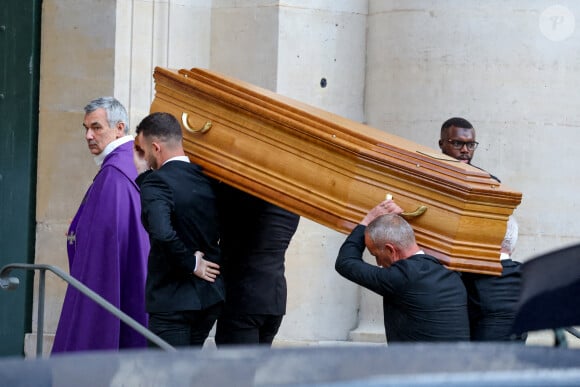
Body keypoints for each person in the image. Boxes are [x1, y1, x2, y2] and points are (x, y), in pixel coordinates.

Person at [52, 97, 150, 353]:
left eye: (97, 127)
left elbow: (106, 241)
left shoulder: (115, 174)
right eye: (86, 128)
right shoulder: (125, 164)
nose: (88, 135)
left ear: (120, 128)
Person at [134, 111, 224, 348]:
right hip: (209, 296)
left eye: (142, 151)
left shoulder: (157, 181)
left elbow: (162, 232)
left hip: (172, 301)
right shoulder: (209, 178)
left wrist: (191, 263)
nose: (142, 156)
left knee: (166, 378)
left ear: (155, 148)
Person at [335, 201, 470, 342]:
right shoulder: (452, 275)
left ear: (391, 250)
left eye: (376, 255)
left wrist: (368, 220)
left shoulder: (401, 277)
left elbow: (345, 262)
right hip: (460, 361)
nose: (379, 263)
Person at [214, 185, 300, 346]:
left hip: (243, 300)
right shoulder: (292, 203)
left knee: (236, 370)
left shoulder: (247, 199)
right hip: (274, 299)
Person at [461, 215, 527, 342]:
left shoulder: (472, 277)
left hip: (482, 357)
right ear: (513, 247)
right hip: (518, 356)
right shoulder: (527, 274)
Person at [438, 117, 500, 182]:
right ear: (441, 144)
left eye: (470, 145)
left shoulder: (490, 182)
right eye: (457, 143)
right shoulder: (428, 175)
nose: (465, 150)